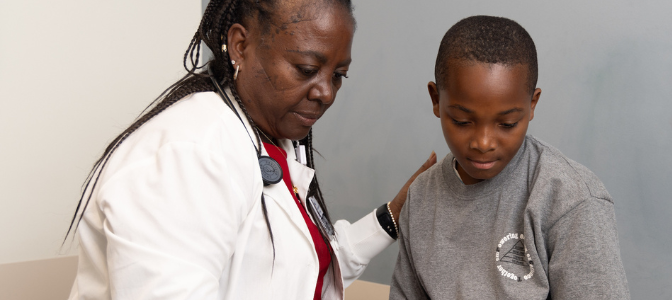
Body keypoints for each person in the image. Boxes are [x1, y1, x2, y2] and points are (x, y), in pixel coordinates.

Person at [64, 0, 436, 299]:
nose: (326, 92)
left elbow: (299, 268)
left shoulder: (272, 142)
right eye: (306, 68)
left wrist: (391, 216)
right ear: (241, 46)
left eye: (338, 75)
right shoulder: (189, 152)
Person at [389, 15, 630, 299]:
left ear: (532, 105)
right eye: (463, 121)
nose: (483, 143)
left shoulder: (570, 201)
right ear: (436, 100)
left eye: (507, 124)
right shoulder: (421, 197)